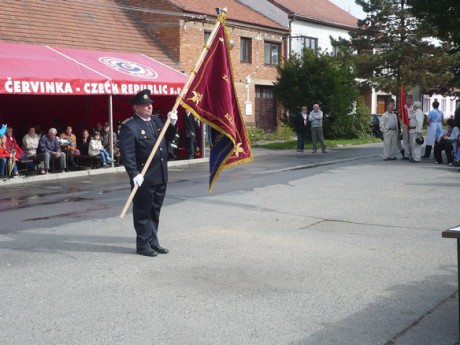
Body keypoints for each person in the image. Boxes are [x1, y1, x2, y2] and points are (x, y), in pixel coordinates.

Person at [119, 89, 178, 257]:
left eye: (150, 104)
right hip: (143, 177)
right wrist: (134, 173)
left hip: (160, 174)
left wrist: (172, 124)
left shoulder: (157, 121)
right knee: (143, 212)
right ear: (136, 107)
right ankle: (143, 244)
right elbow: (127, 154)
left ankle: (153, 241)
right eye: (145, 105)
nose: (150, 107)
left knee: (155, 210)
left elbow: (167, 140)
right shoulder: (129, 127)